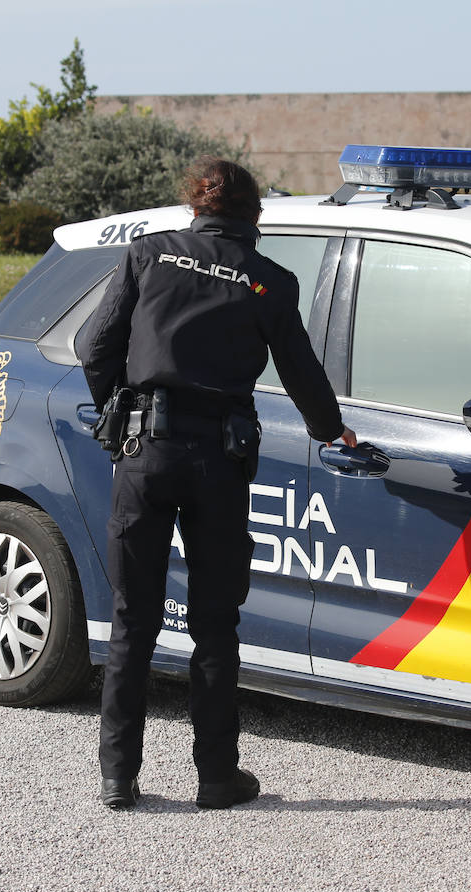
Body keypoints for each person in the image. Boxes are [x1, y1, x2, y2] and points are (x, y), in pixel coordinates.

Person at [78, 156, 356, 810]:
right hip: (218, 462)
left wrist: (122, 414)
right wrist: (331, 430)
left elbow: (96, 348)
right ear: (253, 216)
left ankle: (118, 777)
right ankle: (216, 777)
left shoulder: (148, 255)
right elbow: (301, 372)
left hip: (145, 452)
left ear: (193, 207)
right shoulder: (269, 280)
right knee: (214, 623)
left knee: (133, 618)